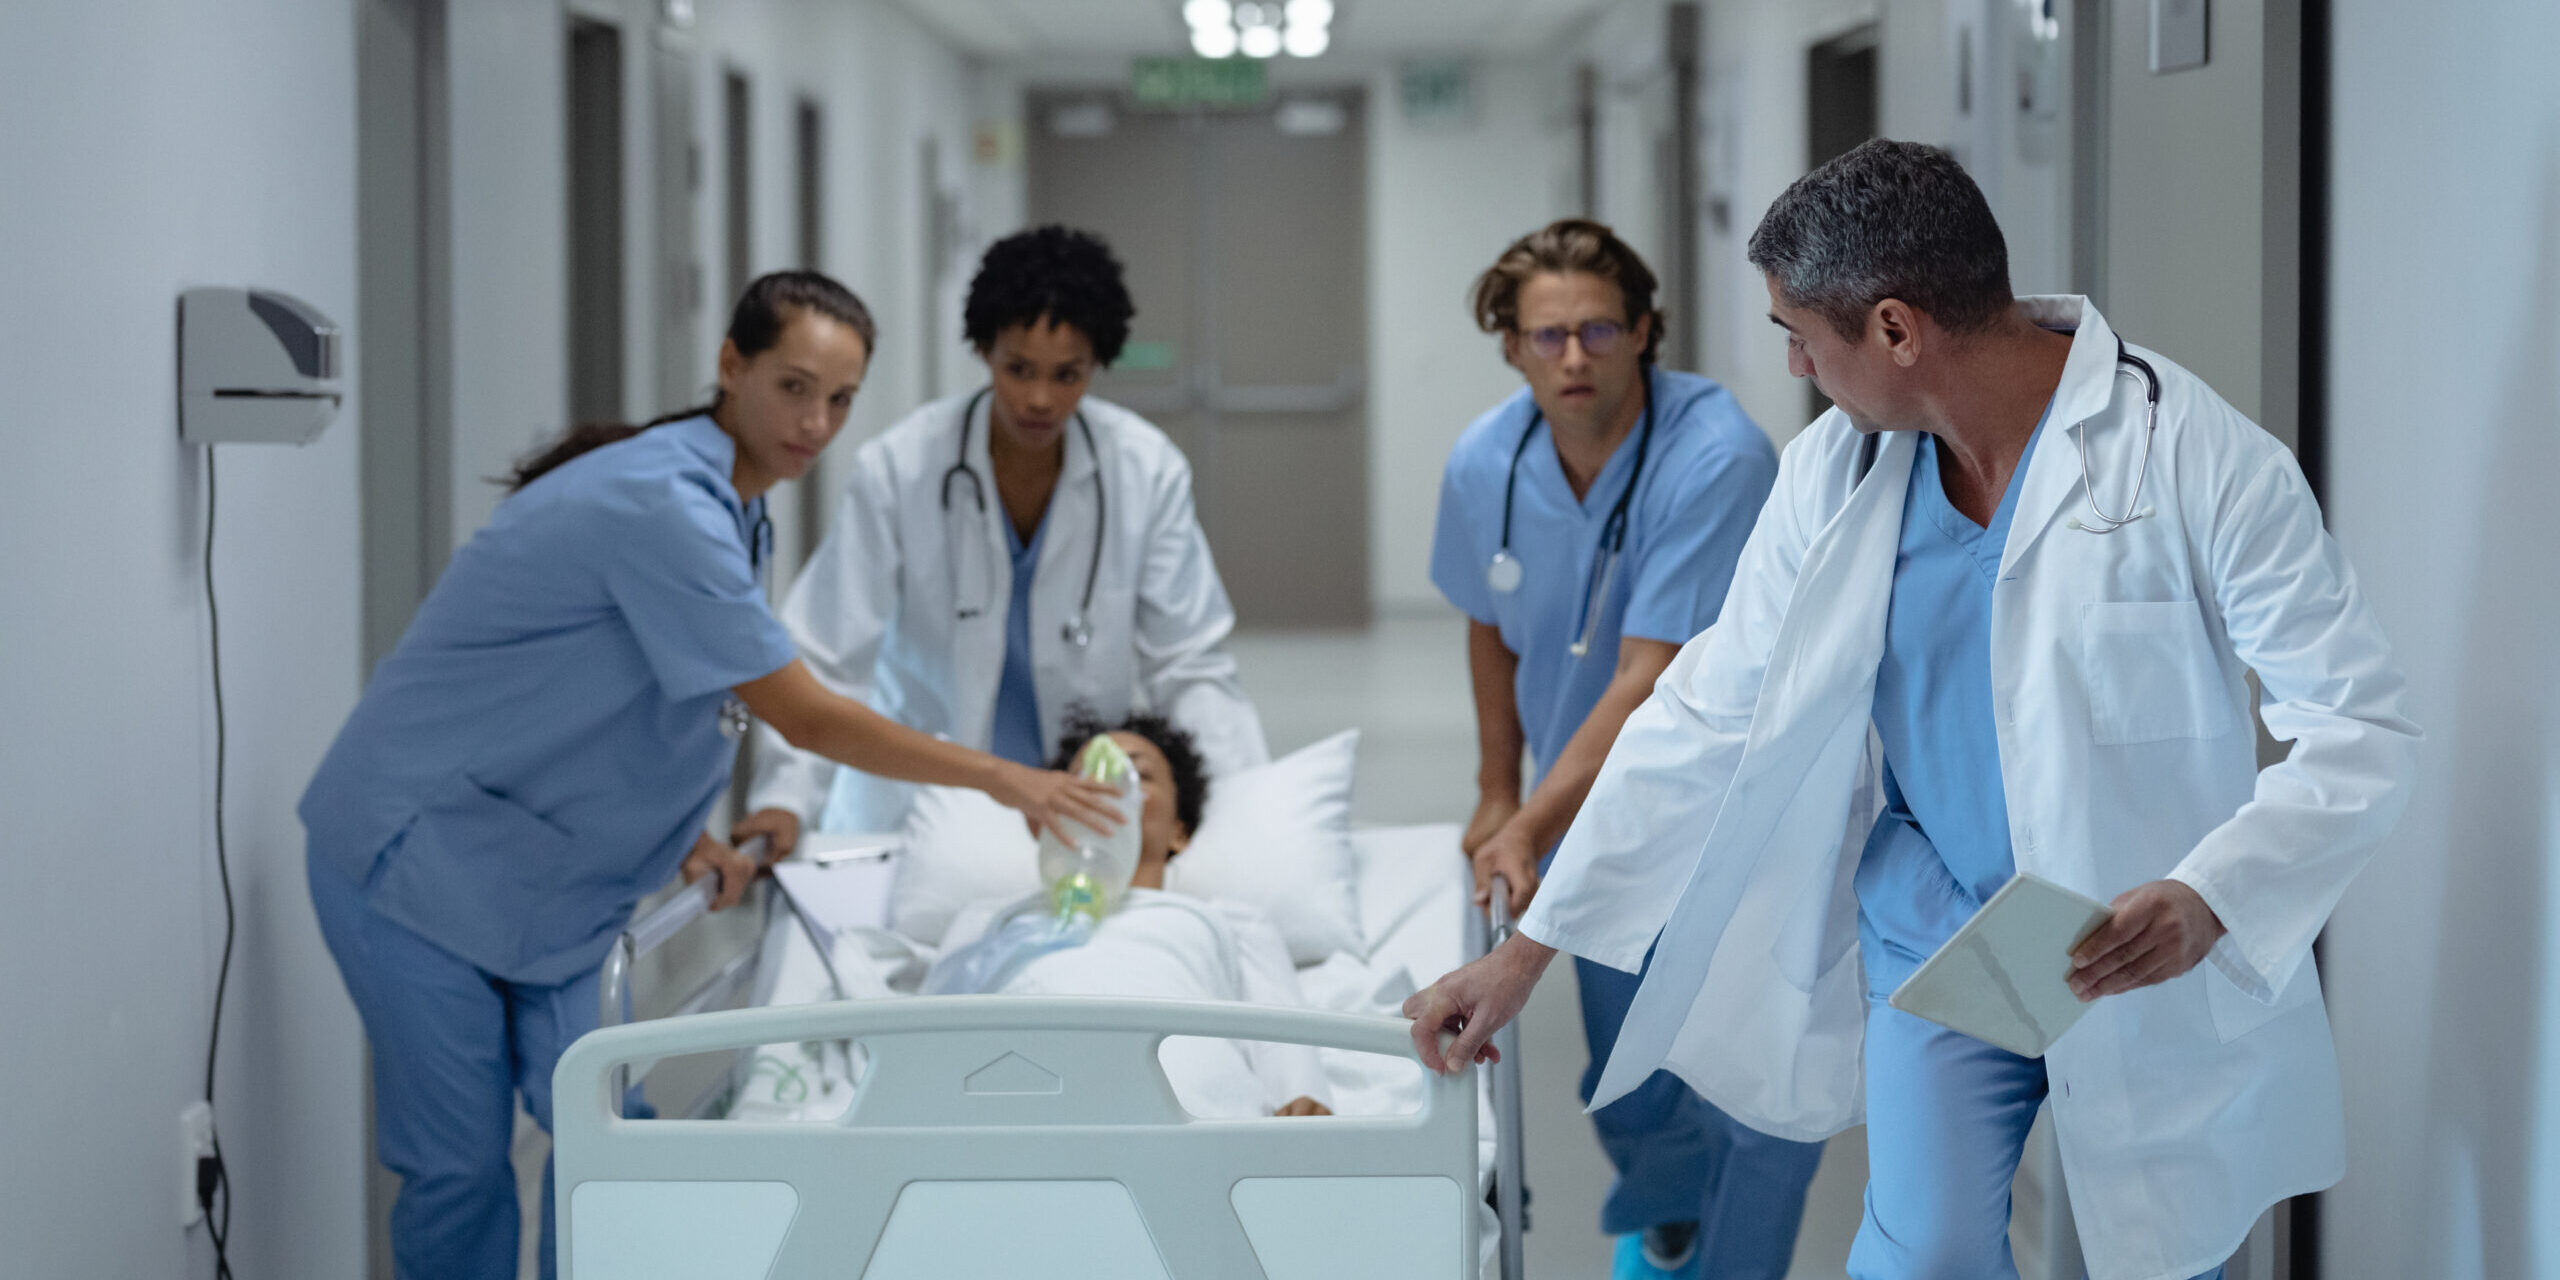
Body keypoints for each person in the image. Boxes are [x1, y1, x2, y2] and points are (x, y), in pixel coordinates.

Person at [1405, 141, 2420, 1280]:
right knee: (1923, 1252)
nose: (1791, 362)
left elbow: (2359, 726)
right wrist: (1528, 953)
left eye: (1800, 333)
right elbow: (1704, 708)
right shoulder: (1835, 474)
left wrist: (2213, 895)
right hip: (1941, 924)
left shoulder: (2197, 458)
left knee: (2166, 1253)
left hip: (2142, 933)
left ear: (1894, 329)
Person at [299, 270, 1120, 1280]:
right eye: (792, 386)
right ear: (731, 366)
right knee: (458, 1167)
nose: (815, 421)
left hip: (542, 872)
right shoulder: (662, 501)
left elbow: (622, 688)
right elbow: (804, 713)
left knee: (612, 1132)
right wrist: (1006, 777)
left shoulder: (732, 505)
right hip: (411, 858)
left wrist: (673, 830)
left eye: (841, 399)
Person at [1425, 218, 1816, 1280]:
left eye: (1600, 329)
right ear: (1509, 344)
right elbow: (1487, 625)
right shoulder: (1486, 459)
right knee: (1628, 1063)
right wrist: (1496, 784)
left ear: (1645, 331)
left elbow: (1650, 678)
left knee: (1751, 1072)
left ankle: (1736, 1260)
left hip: (1735, 803)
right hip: (1584, 796)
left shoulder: (1714, 454)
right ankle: (1671, 1210)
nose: (1573, 357)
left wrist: (1527, 820)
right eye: (1545, 335)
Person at [742, 225, 1266, 852]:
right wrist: (785, 798)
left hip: (1081, 807)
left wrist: (1247, 816)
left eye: (1067, 374)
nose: (1039, 398)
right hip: (925, 804)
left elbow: (1190, 664)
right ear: (985, 349)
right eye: (1018, 369)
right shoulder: (902, 468)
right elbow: (827, 654)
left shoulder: (1145, 471)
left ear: (1097, 363)